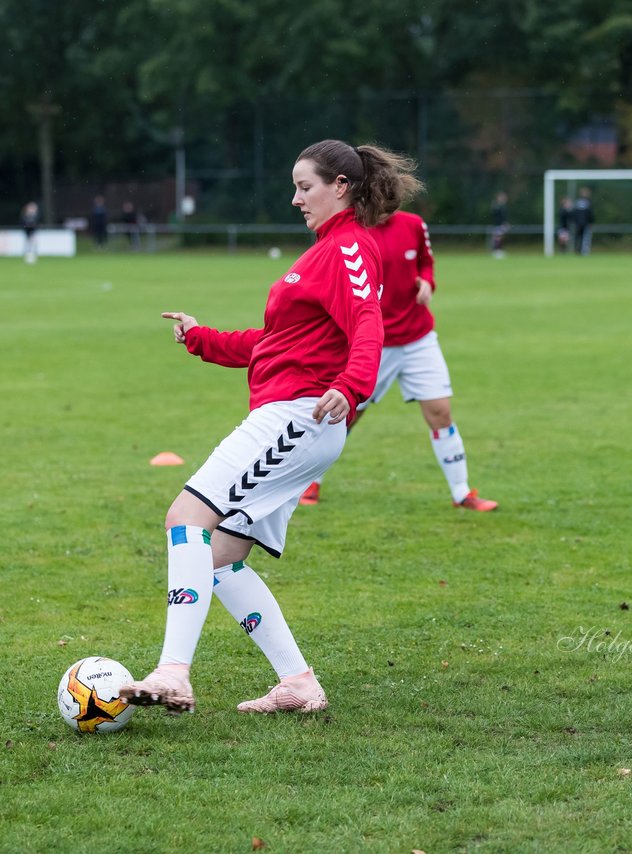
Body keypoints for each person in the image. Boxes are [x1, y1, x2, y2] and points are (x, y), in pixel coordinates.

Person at [118, 139, 421, 716]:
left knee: (186, 518)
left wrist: (353, 387)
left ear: (341, 186)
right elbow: (277, 344)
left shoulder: (349, 248)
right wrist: (202, 338)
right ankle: (298, 683)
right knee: (221, 560)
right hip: (295, 415)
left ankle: (173, 673)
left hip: (297, 417)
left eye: (305, 186)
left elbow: (368, 326)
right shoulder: (323, 252)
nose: (295, 198)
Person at [299, 209, 498, 512]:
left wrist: (428, 282)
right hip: (371, 345)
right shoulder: (349, 232)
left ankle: (462, 493)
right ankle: (310, 482)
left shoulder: (414, 224)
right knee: (345, 415)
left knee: (441, 413)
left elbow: (425, 262)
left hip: (419, 338)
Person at [572, 186, 594, 255]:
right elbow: (575, 213)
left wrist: (590, 222)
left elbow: (590, 214)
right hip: (579, 223)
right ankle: (578, 250)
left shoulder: (588, 202)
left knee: (585, 237)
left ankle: (583, 251)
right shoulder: (579, 202)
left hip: (585, 223)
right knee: (579, 237)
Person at [489, 191, 509, 258]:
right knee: (497, 238)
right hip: (497, 225)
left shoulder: (502, 206)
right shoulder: (497, 206)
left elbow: (503, 217)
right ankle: (496, 251)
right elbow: (496, 217)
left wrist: (505, 223)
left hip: (500, 225)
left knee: (500, 238)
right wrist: (502, 224)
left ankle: (499, 251)